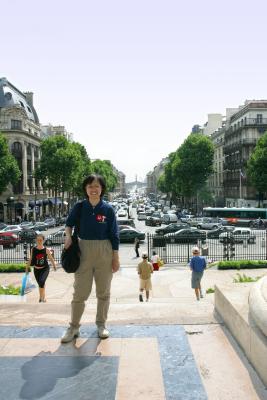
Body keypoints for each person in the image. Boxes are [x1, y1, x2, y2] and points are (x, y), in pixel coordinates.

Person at [61, 174, 120, 343]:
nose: (94, 189)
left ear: (102, 189)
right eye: (90, 186)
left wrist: (115, 258)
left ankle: (101, 324)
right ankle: (73, 327)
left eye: (97, 186)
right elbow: (68, 224)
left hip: (104, 251)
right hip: (83, 251)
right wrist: (68, 236)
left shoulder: (108, 209)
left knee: (103, 292)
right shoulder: (79, 207)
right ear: (85, 189)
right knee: (80, 292)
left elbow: (114, 235)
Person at [26, 234, 57, 302]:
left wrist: (54, 266)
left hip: (45, 269)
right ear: (36, 241)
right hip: (36, 270)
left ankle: (41, 299)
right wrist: (27, 268)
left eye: (40, 240)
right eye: (38, 240)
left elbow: (51, 258)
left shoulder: (46, 250)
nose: (39, 241)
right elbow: (30, 259)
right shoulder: (33, 249)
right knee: (41, 284)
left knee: (41, 282)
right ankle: (42, 297)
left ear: (43, 240)